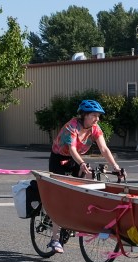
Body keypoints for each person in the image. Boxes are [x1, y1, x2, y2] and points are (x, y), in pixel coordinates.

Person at [46, 99, 122, 253]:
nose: (97, 119)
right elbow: (72, 149)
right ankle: (54, 239)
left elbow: (104, 149)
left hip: (75, 159)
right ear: (84, 115)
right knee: (61, 198)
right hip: (59, 159)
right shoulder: (71, 126)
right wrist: (81, 163)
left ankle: (80, 215)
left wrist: (116, 167)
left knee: (89, 181)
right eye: (94, 115)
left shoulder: (95, 128)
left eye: (98, 116)